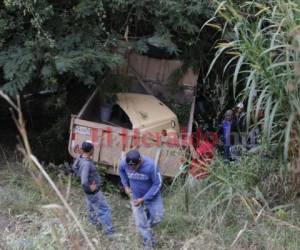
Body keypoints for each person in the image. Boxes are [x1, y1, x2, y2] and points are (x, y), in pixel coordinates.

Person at [119, 149, 164, 249]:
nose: (132, 169)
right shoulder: (123, 163)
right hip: (135, 198)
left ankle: (147, 229)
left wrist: (144, 199)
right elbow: (121, 171)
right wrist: (126, 185)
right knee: (140, 223)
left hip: (152, 197)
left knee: (158, 218)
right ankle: (148, 244)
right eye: (130, 167)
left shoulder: (151, 166)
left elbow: (158, 183)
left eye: (135, 167)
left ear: (140, 161)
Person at [72, 140, 115, 235]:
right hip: (93, 192)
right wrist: (89, 188)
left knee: (91, 208)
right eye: (93, 149)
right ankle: (110, 232)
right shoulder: (86, 163)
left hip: (88, 193)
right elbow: (84, 181)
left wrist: (79, 155)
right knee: (104, 210)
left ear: (83, 150)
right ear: (91, 150)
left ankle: (93, 226)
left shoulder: (82, 159)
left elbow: (74, 168)